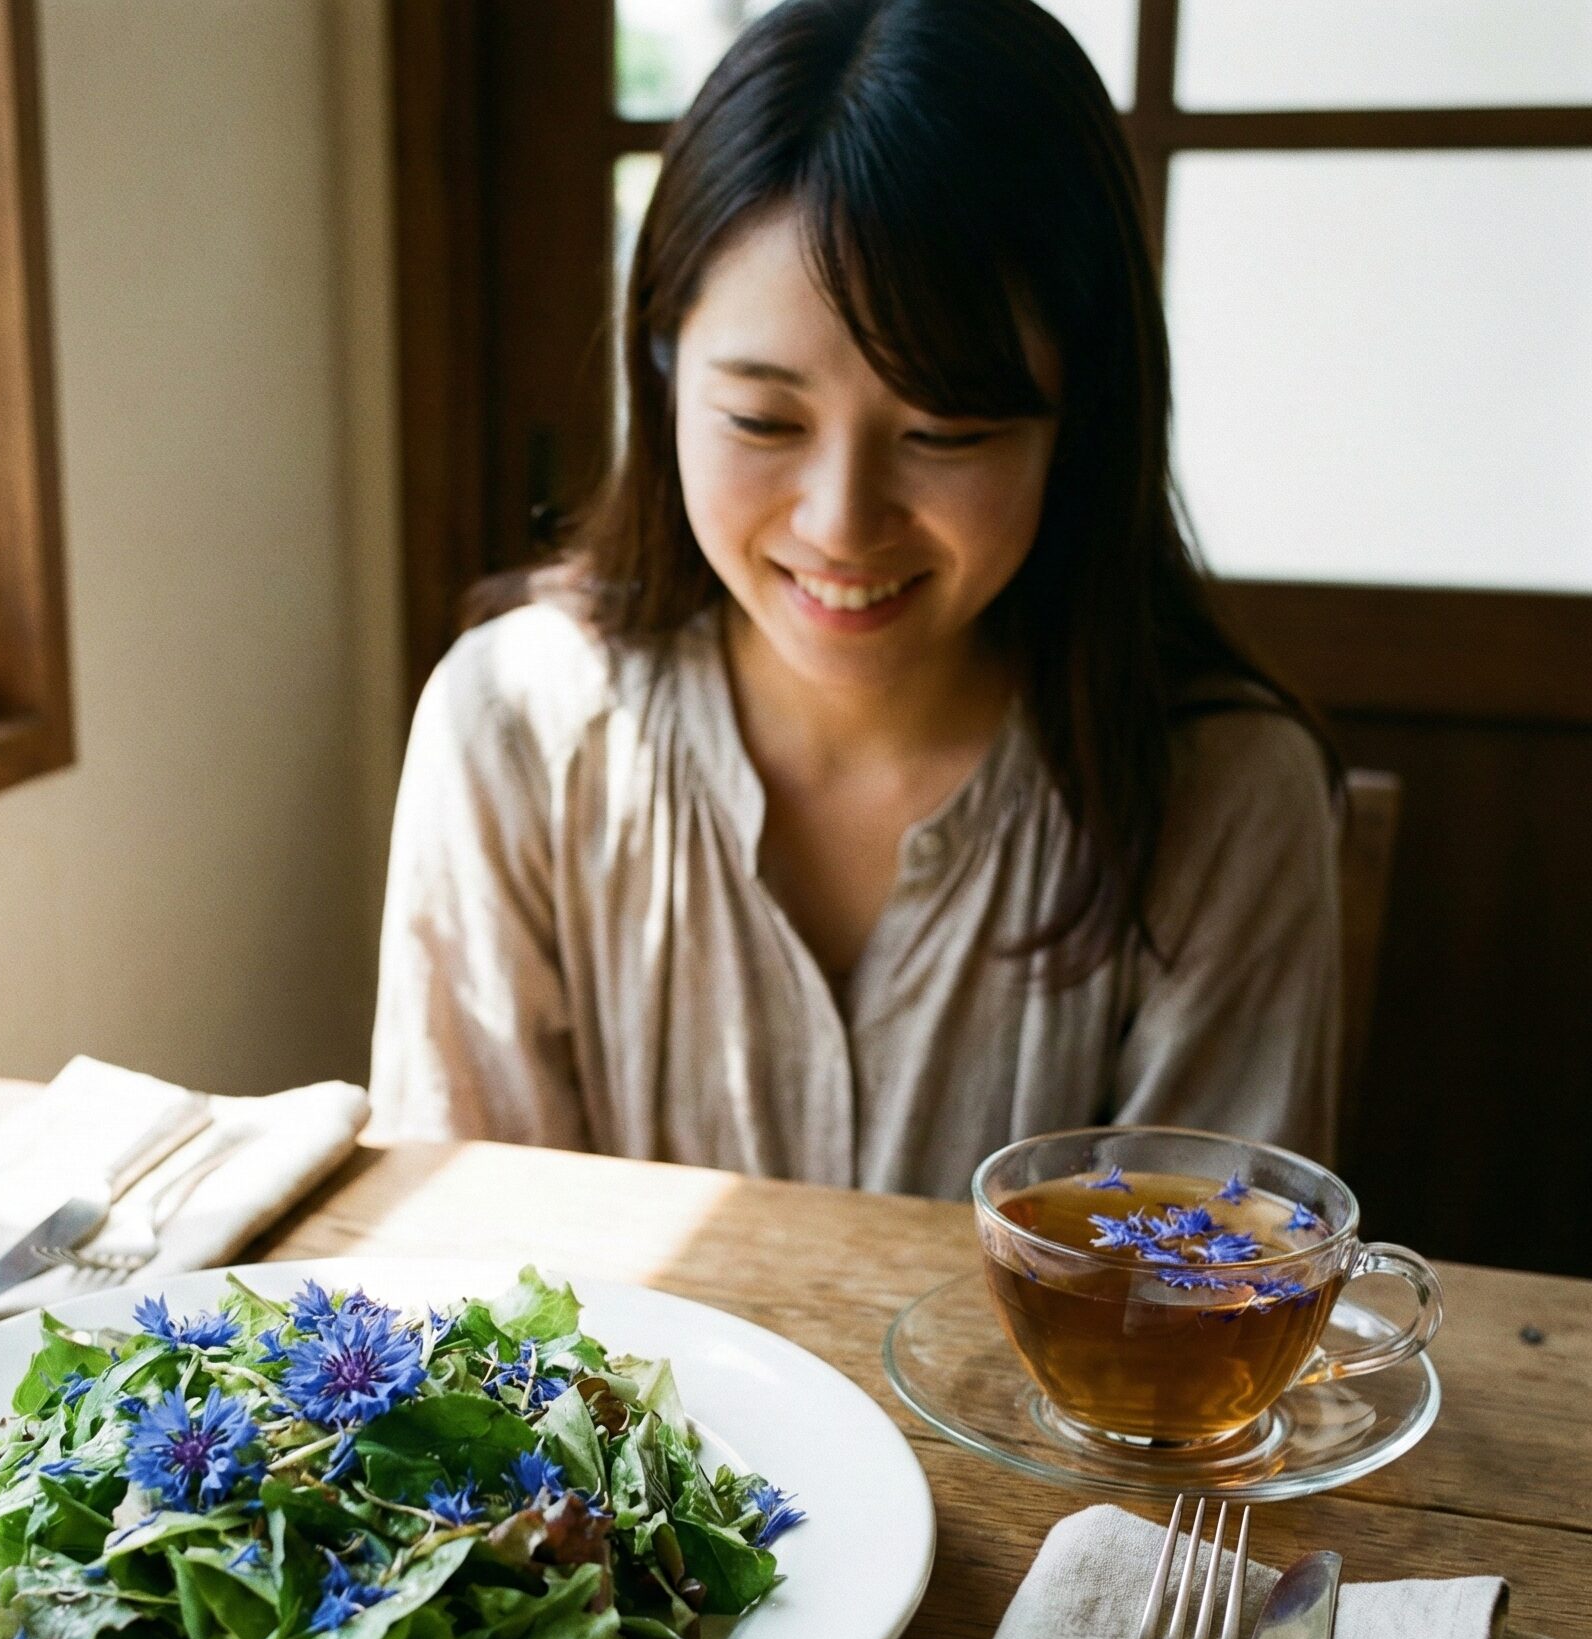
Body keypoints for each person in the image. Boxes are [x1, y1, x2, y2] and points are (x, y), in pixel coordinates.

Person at [368, 0, 1342, 1198]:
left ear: (1076, 425)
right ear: (661, 374)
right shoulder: (512, 723)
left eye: (943, 431)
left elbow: (1193, 1310)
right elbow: (472, 1261)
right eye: (762, 420)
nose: (839, 520)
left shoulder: (1223, 792)